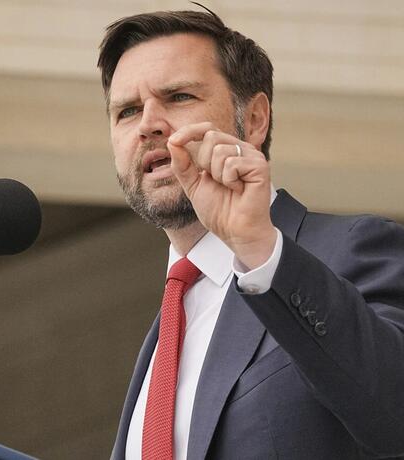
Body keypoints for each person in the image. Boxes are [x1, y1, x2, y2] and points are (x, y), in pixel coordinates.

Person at [97, 8, 404, 460]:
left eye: (178, 96)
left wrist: (260, 249)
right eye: (128, 111)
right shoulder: (161, 339)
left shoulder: (352, 247)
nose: (148, 125)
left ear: (255, 119)